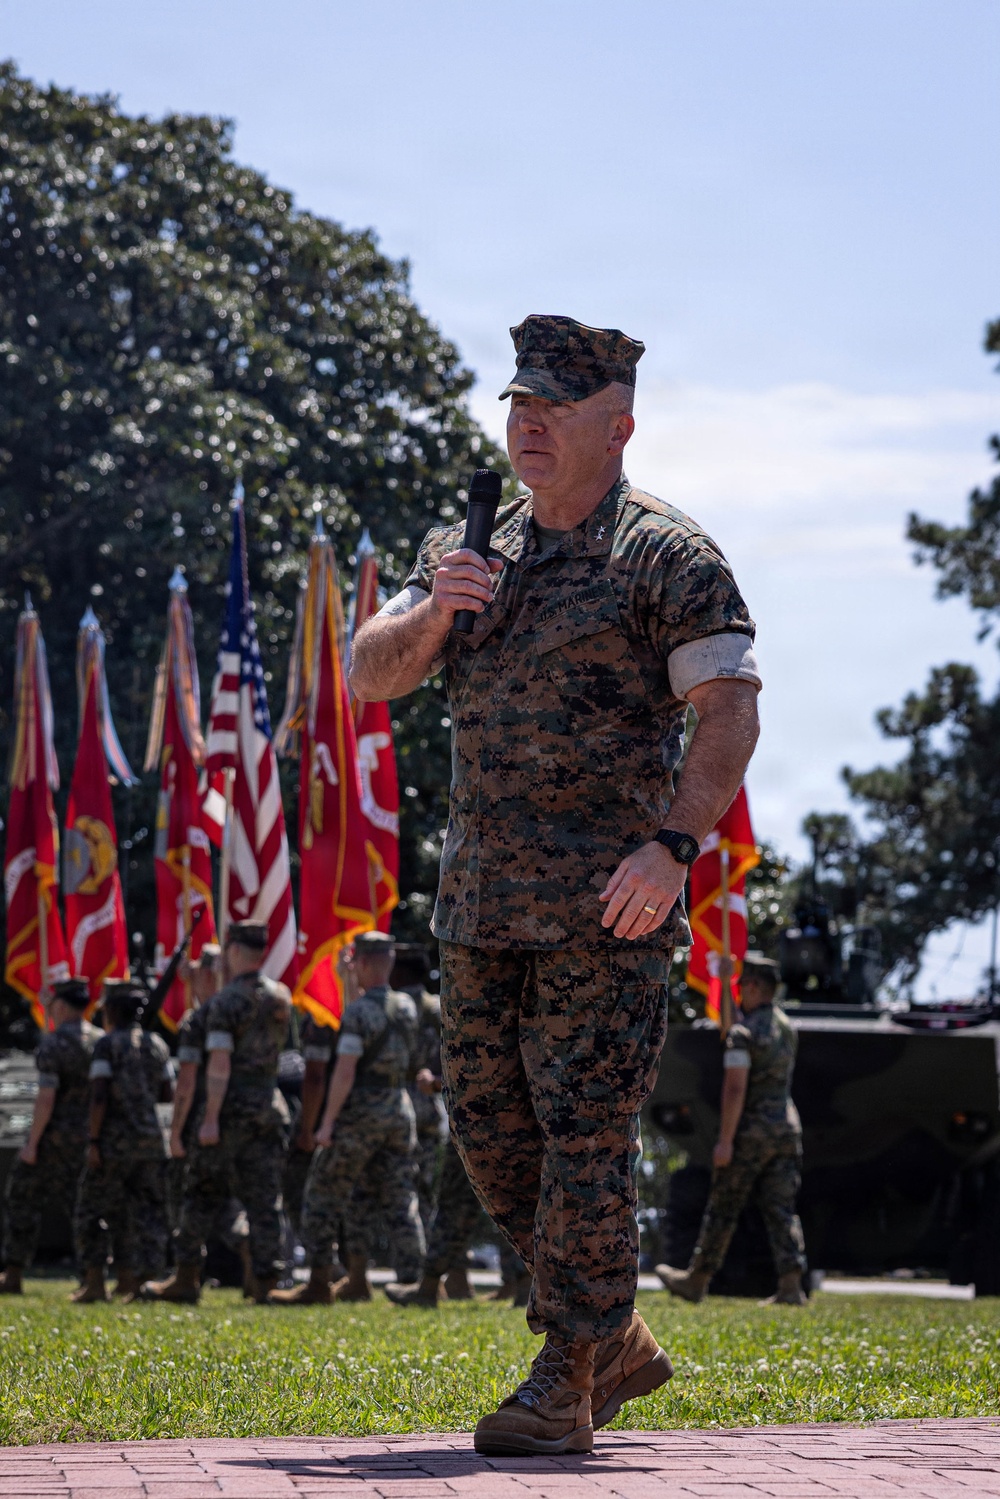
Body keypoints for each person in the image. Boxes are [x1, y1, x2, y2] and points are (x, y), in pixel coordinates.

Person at [350, 314, 761, 1455]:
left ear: (617, 425)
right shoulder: (469, 545)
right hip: (479, 903)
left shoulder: (666, 556)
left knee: (584, 1139)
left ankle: (562, 1380)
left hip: (608, 909)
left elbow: (729, 712)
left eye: (555, 405)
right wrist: (440, 605)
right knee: (491, 1138)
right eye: (518, 401)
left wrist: (673, 844)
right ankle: (616, 1333)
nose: (527, 420)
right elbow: (365, 675)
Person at [270, 931, 425, 1306]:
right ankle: (419, 1282)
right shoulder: (405, 1006)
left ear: (367, 963)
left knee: (322, 1194)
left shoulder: (357, 1013)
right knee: (399, 1198)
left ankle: (319, 1283)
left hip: (361, 1114)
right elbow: (374, 1019)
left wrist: (326, 1124)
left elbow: (344, 1071)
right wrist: (346, 982)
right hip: (398, 1110)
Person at [656, 953, 807, 1306]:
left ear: (754, 986)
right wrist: (723, 983)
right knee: (781, 1208)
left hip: (752, 1132)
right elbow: (735, 1023)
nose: (740, 993)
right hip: (786, 1129)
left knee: (723, 1206)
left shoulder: (743, 1034)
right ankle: (791, 1285)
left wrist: (724, 1141)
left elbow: (735, 1088)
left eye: (742, 986)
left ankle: (696, 1279)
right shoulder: (785, 1027)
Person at [167, 921, 292, 1304]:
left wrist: (209, 1119)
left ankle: (186, 1277)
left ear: (235, 950)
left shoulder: (224, 1004)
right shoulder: (281, 997)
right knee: (264, 1199)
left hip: (230, 1111)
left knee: (201, 1193)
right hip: (269, 1107)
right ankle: (268, 1281)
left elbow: (219, 1065)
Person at [143, 944, 252, 1303]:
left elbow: (186, 1083)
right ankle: (253, 1259)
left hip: (204, 1122)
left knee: (194, 1198)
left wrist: (175, 1133)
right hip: (243, 1120)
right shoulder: (245, 1010)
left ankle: (186, 1276)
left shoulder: (201, 1019)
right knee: (227, 1201)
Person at [0, 979, 101, 1295]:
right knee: (85, 1208)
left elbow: (46, 1097)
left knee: (23, 1199)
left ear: (60, 1007)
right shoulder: (101, 1042)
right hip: (91, 1139)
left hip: (54, 1140)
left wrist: (32, 1143)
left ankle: (13, 1273)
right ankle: (93, 1276)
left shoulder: (55, 1044)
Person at [73, 982, 172, 1303]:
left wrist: (94, 1140)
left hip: (114, 1143)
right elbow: (167, 1093)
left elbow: (100, 1094)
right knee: (146, 1213)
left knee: (92, 1208)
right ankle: (141, 1282)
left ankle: (95, 1282)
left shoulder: (106, 1046)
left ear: (113, 1011)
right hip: (151, 1142)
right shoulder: (157, 1044)